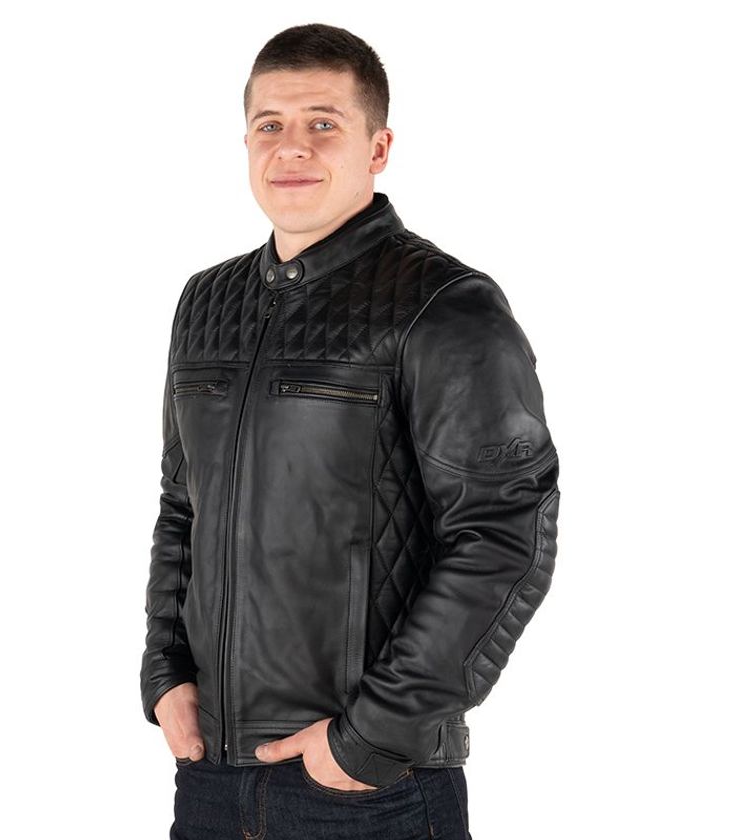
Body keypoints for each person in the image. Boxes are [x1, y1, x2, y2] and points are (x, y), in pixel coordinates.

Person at [140, 22, 560, 840]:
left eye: (323, 123)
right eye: (270, 124)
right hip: (210, 782)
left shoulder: (447, 305)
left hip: (371, 791)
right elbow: (182, 504)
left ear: (379, 147)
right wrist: (165, 673)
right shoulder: (205, 301)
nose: (291, 146)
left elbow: (504, 535)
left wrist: (372, 737)